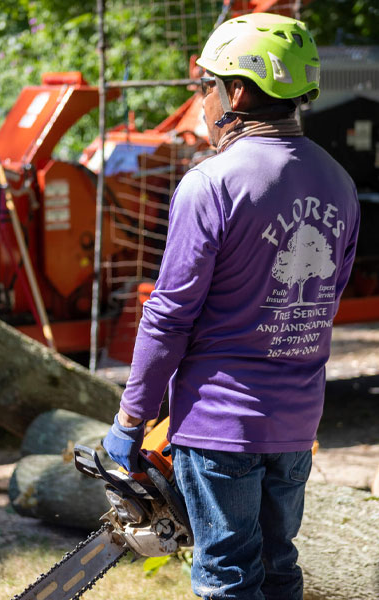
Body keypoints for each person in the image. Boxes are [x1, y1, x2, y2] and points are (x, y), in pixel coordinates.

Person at [102, 12, 360, 600]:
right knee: (279, 568)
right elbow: (325, 300)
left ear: (236, 93)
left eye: (206, 85)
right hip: (296, 422)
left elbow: (168, 317)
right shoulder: (340, 183)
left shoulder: (211, 184)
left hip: (220, 427)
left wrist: (130, 421)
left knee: (227, 576)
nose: (202, 99)